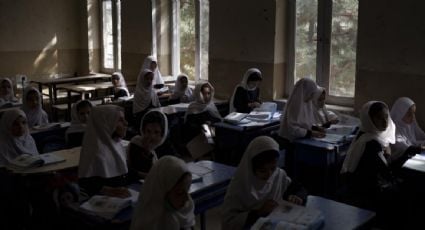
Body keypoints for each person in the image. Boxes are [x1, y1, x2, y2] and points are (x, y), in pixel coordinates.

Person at [341, 101, 408, 229]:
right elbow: (385, 171)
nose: (385, 122)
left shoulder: (367, 133)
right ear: (370, 120)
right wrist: (392, 154)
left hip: (366, 184)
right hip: (365, 191)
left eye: (386, 117)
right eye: (379, 118)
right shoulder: (371, 142)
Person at [221, 136, 307, 229]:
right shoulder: (239, 185)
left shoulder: (278, 175)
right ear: (251, 167)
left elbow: (298, 188)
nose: (269, 175)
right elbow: (228, 222)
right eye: (262, 171)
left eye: (273, 168)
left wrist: (297, 196)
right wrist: (258, 212)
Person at [78, 105, 130, 197]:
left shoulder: (117, 144)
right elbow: (85, 183)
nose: (126, 123)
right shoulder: (95, 151)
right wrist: (106, 190)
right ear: (106, 124)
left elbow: (123, 173)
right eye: (120, 120)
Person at [130, 156, 195, 230]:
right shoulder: (147, 222)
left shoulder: (186, 209)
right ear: (162, 191)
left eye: (188, 190)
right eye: (179, 193)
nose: (187, 199)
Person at [128, 110, 168, 179]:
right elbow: (144, 172)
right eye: (148, 131)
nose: (151, 136)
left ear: (163, 133)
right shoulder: (136, 144)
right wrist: (147, 151)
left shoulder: (164, 146)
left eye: (156, 132)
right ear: (143, 130)